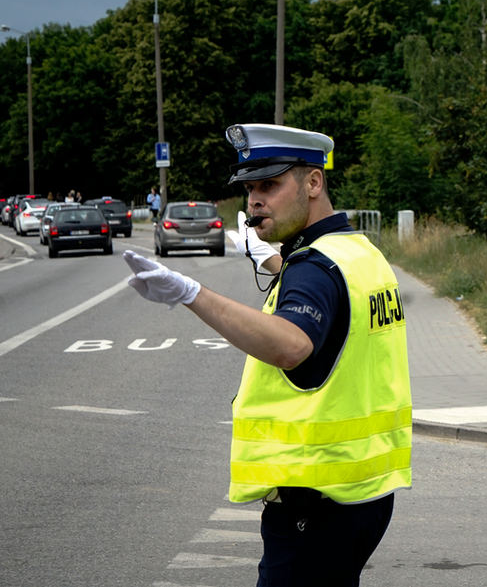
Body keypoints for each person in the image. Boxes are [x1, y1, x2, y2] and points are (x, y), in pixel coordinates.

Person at [121, 123, 412, 586]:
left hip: (314, 502)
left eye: (271, 185)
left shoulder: (315, 267)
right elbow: (332, 302)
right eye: (250, 188)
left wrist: (191, 293)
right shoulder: (360, 253)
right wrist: (273, 261)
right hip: (364, 492)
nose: (255, 200)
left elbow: (292, 344)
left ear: (313, 183)